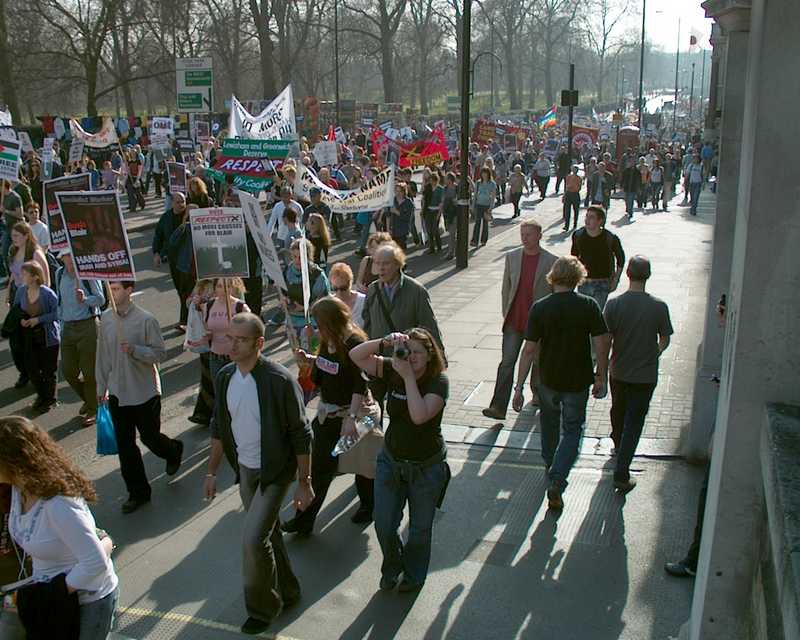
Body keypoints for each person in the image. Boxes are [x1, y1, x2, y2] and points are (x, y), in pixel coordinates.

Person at [203, 313, 312, 635]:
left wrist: (304, 483)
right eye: (229, 338)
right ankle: (290, 590)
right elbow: (219, 426)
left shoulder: (278, 380)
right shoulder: (224, 377)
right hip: (246, 471)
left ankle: (263, 609)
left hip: (275, 473)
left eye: (241, 340)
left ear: (259, 343)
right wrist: (211, 472)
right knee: (268, 534)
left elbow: (301, 434)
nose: (231, 345)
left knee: (253, 540)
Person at [349, 327, 450, 592]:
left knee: (419, 529)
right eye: (408, 351)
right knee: (383, 523)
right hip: (391, 462)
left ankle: (414, 575)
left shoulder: (438, 381)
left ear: (430, 356)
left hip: (425, 468)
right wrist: (383, 342)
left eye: (418, 352)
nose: (412, 357)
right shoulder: (395, 367)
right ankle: (392, 567)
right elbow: (356, 355)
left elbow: (419, 416)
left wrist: (407, 378)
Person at [2, 416, 118, 639]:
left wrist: (54, 592)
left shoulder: (58, 503)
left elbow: (95, 562)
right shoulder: (19, 491)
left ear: (14, 461)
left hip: (88, 602)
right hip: (53, 598)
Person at [512, 256, 609, 510]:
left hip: (549, 379)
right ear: (578, 277)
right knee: (573, 429)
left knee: (549, 421)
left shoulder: (541, 308)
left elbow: (529, 350)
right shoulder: (588, 305)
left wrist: (519, 387)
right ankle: (558, 477)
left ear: (553, 277)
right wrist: (602, 374)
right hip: (578, 380)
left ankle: (549, 463)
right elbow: (601, 342)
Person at [282, 297, 375, 535]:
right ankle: (303, 522)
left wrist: (351, 419)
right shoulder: (328, 340)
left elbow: (359, 384)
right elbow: (327, 369)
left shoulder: (354, 342)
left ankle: (369, 506)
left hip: (351, 416)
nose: (316, 326)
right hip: (329, 415)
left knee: (362, 464)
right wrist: (310, 360)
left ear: (331, 322)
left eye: (319, 322)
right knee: (320, 467)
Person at [95, 281, 184, 514]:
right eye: (109, 289)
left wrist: (136, 350)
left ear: (128, 290)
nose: (111, 294)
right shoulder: (105, 319)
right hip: (118, 392)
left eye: (115, 289)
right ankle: (138, 492)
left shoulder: (146, 320)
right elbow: (102, 354)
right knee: (126, 446)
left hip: (144, 391)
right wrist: (101, 385)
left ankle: (172, 450)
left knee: (150, 437)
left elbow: (160, 354)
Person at [600, 255, 673, 492]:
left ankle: (618, 444)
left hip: (618, 370)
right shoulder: (659, 306)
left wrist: (600, 370)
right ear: (648, 275)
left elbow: (606, 341)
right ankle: (622, 470)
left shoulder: (613, 304)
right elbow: (665, 339)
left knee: (618, 411)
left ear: (628, 274)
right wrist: (656, 352)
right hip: (645, 374)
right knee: (635, 420)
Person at [482, 220, 558, 420]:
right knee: (507, 362)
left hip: (538, 323)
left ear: (539, 236)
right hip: (514, 320)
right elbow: (506, 286)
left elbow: (555, 292)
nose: (524, 238)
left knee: (538, 361)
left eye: (529, 234)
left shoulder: (551, 261)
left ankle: (537, 394)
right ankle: (498, 406)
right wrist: (505, 310)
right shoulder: (513, 257)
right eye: (522, 234)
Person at [362, 243, 444, 352]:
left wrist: (440, 358)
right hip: (380, 360)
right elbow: (367, 325)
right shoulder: (372, 289)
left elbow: (429, 328)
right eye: (377, 263)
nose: (381, 268)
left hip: (407, 359)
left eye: (386, 263)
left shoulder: (416, 290)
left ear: (397, 264)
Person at [56, 250, 105, 427]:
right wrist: (61, 323)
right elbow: (60, 300)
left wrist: (85, 299)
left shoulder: (87, 274)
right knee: (68, 370)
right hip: (68, 327)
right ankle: (91, 399)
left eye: (71, 257)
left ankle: (93, 408)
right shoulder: (59, 273)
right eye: (65, 258)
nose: (68, 261)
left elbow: (100, 299)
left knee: (89, 371)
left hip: (87, 325)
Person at [6, 221, 51, 388]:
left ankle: (37, 374)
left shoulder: (36, 253)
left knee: (32, 341)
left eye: (17, 236)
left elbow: (46, 280)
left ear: (26, 236)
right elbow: (14, 272)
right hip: (17, 299)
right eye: (12, 236)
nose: (14, 239)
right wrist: (9, 290)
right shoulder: (13, 250)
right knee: (15, 340)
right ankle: (24, 371)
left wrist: (40, 302)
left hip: (33, 301)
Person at [13, 262, 60, 412]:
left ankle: (50, 399)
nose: (22, 277)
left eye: (25, 274)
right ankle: (41, 395)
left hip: (48, 336)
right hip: (29, 337)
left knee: (48, 371)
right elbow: (16, 309)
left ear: (34, 277)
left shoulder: (47, 293)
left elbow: (58, 313)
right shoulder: (21, 291)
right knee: (32, 369)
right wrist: (21, 318)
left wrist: (38, 320)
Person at [570, 205, 625, 311]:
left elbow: (621, 260)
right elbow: (574, 258)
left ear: (600, 221)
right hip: (584, 282)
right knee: (583, 315)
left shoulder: (610, 238)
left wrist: (615, 280)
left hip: (603, 283)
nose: (587, 220)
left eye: (591, 217)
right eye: (586, 216)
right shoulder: (578, 235)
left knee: (596, 314)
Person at [153, 192, 193, 328]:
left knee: (186, 290)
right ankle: (187, 319)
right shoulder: (166, 217)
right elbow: (158, 235)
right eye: (178, 202)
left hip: (188, 260)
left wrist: (187, 218)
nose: (181, 205)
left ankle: (185, 321)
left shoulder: (190, 216)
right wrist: (157, 253)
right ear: (171, 203)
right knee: (180, 290)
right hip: (174, 259)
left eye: (183, 202)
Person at [203, 277, 250, 384]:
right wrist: (206, 337)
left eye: (227, 286)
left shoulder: (240, 307)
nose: (223, 290)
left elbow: (251, 332)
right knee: (220, 392)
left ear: (233, 288)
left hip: (236, 358)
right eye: (219, 286)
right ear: (215, 288)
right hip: (216, 357)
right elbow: (208, 328)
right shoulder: (209, 306)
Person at [284, 239, 330, 345]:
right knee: (299, 357)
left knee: (312, 356)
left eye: (301, 257)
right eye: (294, 257)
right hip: (292, 323)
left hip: (313, 324)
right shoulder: (287, 271)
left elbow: (324, 301)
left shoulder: (317, 275)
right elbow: (283, 292)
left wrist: (306, 308)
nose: (297, 261)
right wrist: (284, 301)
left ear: (308, 256)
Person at [329, 262, 366, 327]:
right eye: (335, 289)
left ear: (350, 283)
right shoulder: (329, 304)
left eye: (343, 288)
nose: (339, 293)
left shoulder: (363, 301)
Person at [472, 167, 496, 247]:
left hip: (487, 205)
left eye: (485, 173)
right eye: (483, 173)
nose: (484, 175)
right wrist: (473, 205)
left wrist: (491, 207)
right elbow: (475, 195)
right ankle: (474, 241)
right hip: (479, 204)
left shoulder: (492, 183)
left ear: (488, 174)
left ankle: (483, 240)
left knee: (485, 224)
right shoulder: (478, 183)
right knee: (477, 223)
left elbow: (493, 196)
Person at [388, 183, 414, 252]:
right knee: (393, 251)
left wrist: (396, 212)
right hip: (393, 230)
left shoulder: (408, 203)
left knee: (401, 251)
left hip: (403, 231)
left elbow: (407, 218)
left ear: (404, 192)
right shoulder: (392, 201)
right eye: (396, 191)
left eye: (400, 191)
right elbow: (388, 216)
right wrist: (388, 228)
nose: (398, 193)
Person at [423, 173, 444, 254]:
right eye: (430, 180)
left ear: (436, 180)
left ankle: (439, 245)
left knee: (434, 229)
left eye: (433, 180)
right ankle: (431, 247)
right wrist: (422, 210)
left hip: (436, 210)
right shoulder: (427, 188)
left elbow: (441, 202)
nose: (432, 182)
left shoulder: (440, 189)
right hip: (428, 210)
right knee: (429, 229)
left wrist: (439, 214)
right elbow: (424, 199)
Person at [441, 172, 460, 259]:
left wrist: (456, 201)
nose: (445, 180)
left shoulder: (457, 188)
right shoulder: (445, 189)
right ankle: (454, 251)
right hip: (447, 213)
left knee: (452, 233)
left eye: (446, 178)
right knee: (450, 232)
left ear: (450, 180)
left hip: (455, 213)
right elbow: (443, 200)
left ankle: (451, 252)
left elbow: (460, 200)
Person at [620, 155, 641, 219]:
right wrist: (621, 185)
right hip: (627, 187)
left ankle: (630, 212)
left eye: (633, 162)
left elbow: (639, 180)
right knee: (626, 200)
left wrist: (639, 187)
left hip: (633, 188)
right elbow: (623, 178)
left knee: (631, 200)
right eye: (630, 162)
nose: (632, 163)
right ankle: (628, 209)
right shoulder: (626, 170)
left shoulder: (637, 171)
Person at [562, 165, 583, 230]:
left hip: (575, 194)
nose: (574, 171)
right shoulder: (568, 177)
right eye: (573, 169)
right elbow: (566, 186)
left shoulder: (579, 178)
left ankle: (575, 224)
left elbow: (579, 188)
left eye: (575, 170)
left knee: (576, 210)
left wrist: (572, 186)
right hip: (568, 194)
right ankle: (566, 225)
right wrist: (564, 195)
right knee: (567, 210)